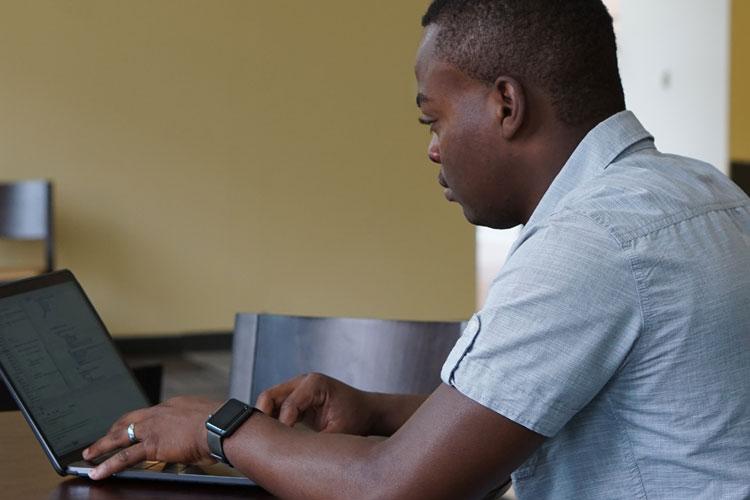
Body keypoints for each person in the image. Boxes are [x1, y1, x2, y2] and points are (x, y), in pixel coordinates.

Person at [83, 1, 750, 498]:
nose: (432, 147)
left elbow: (391, 491)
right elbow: (571, 404)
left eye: (434, 118)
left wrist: (220, 428)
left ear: (506, 105)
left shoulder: (589, 246)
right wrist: (378, 411)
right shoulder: (699, 191)